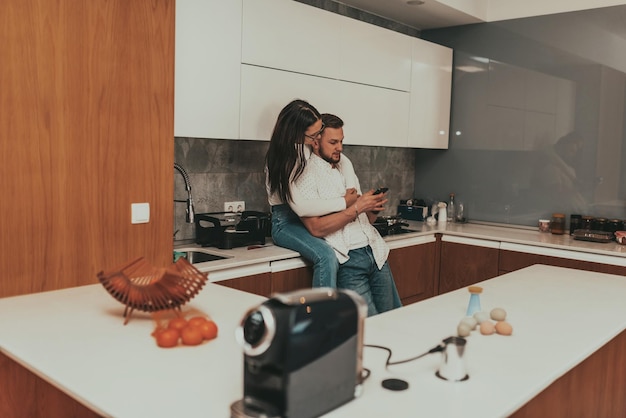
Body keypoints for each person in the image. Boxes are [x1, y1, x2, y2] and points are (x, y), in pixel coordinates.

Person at [292, 113, 402, 316]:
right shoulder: (305, 174)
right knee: (367, 328)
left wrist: (371, 209)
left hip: (375, 253)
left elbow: (362, 220)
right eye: (333, 142)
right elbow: (316, 228)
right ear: (315, 142)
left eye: (341, 141)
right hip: (349, 260)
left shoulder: (345, 167)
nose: (340, 148)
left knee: (394, 320)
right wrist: (357, 207)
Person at [265, 99, 358, 288]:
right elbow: (301, 208)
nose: (317, 139)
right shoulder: (284, 159)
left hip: (310, 219)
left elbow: (343, 159)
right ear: (296, 133)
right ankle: (322, 316)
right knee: (326, 256)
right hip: (285, 223)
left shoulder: (304, 146)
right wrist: (344, 202)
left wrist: (350, 185)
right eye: (313, 135)